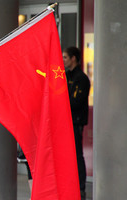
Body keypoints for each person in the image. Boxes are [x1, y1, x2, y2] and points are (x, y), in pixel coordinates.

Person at [63, 47, 90, 200]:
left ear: (73, 58)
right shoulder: (65, 76)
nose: (64, 60)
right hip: (65, 122)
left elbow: (75, 102)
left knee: (77, 155)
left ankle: (80, 188)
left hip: (75, 122)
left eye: (65, 57)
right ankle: (68, 186)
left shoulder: (81, 78)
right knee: (67, 156)